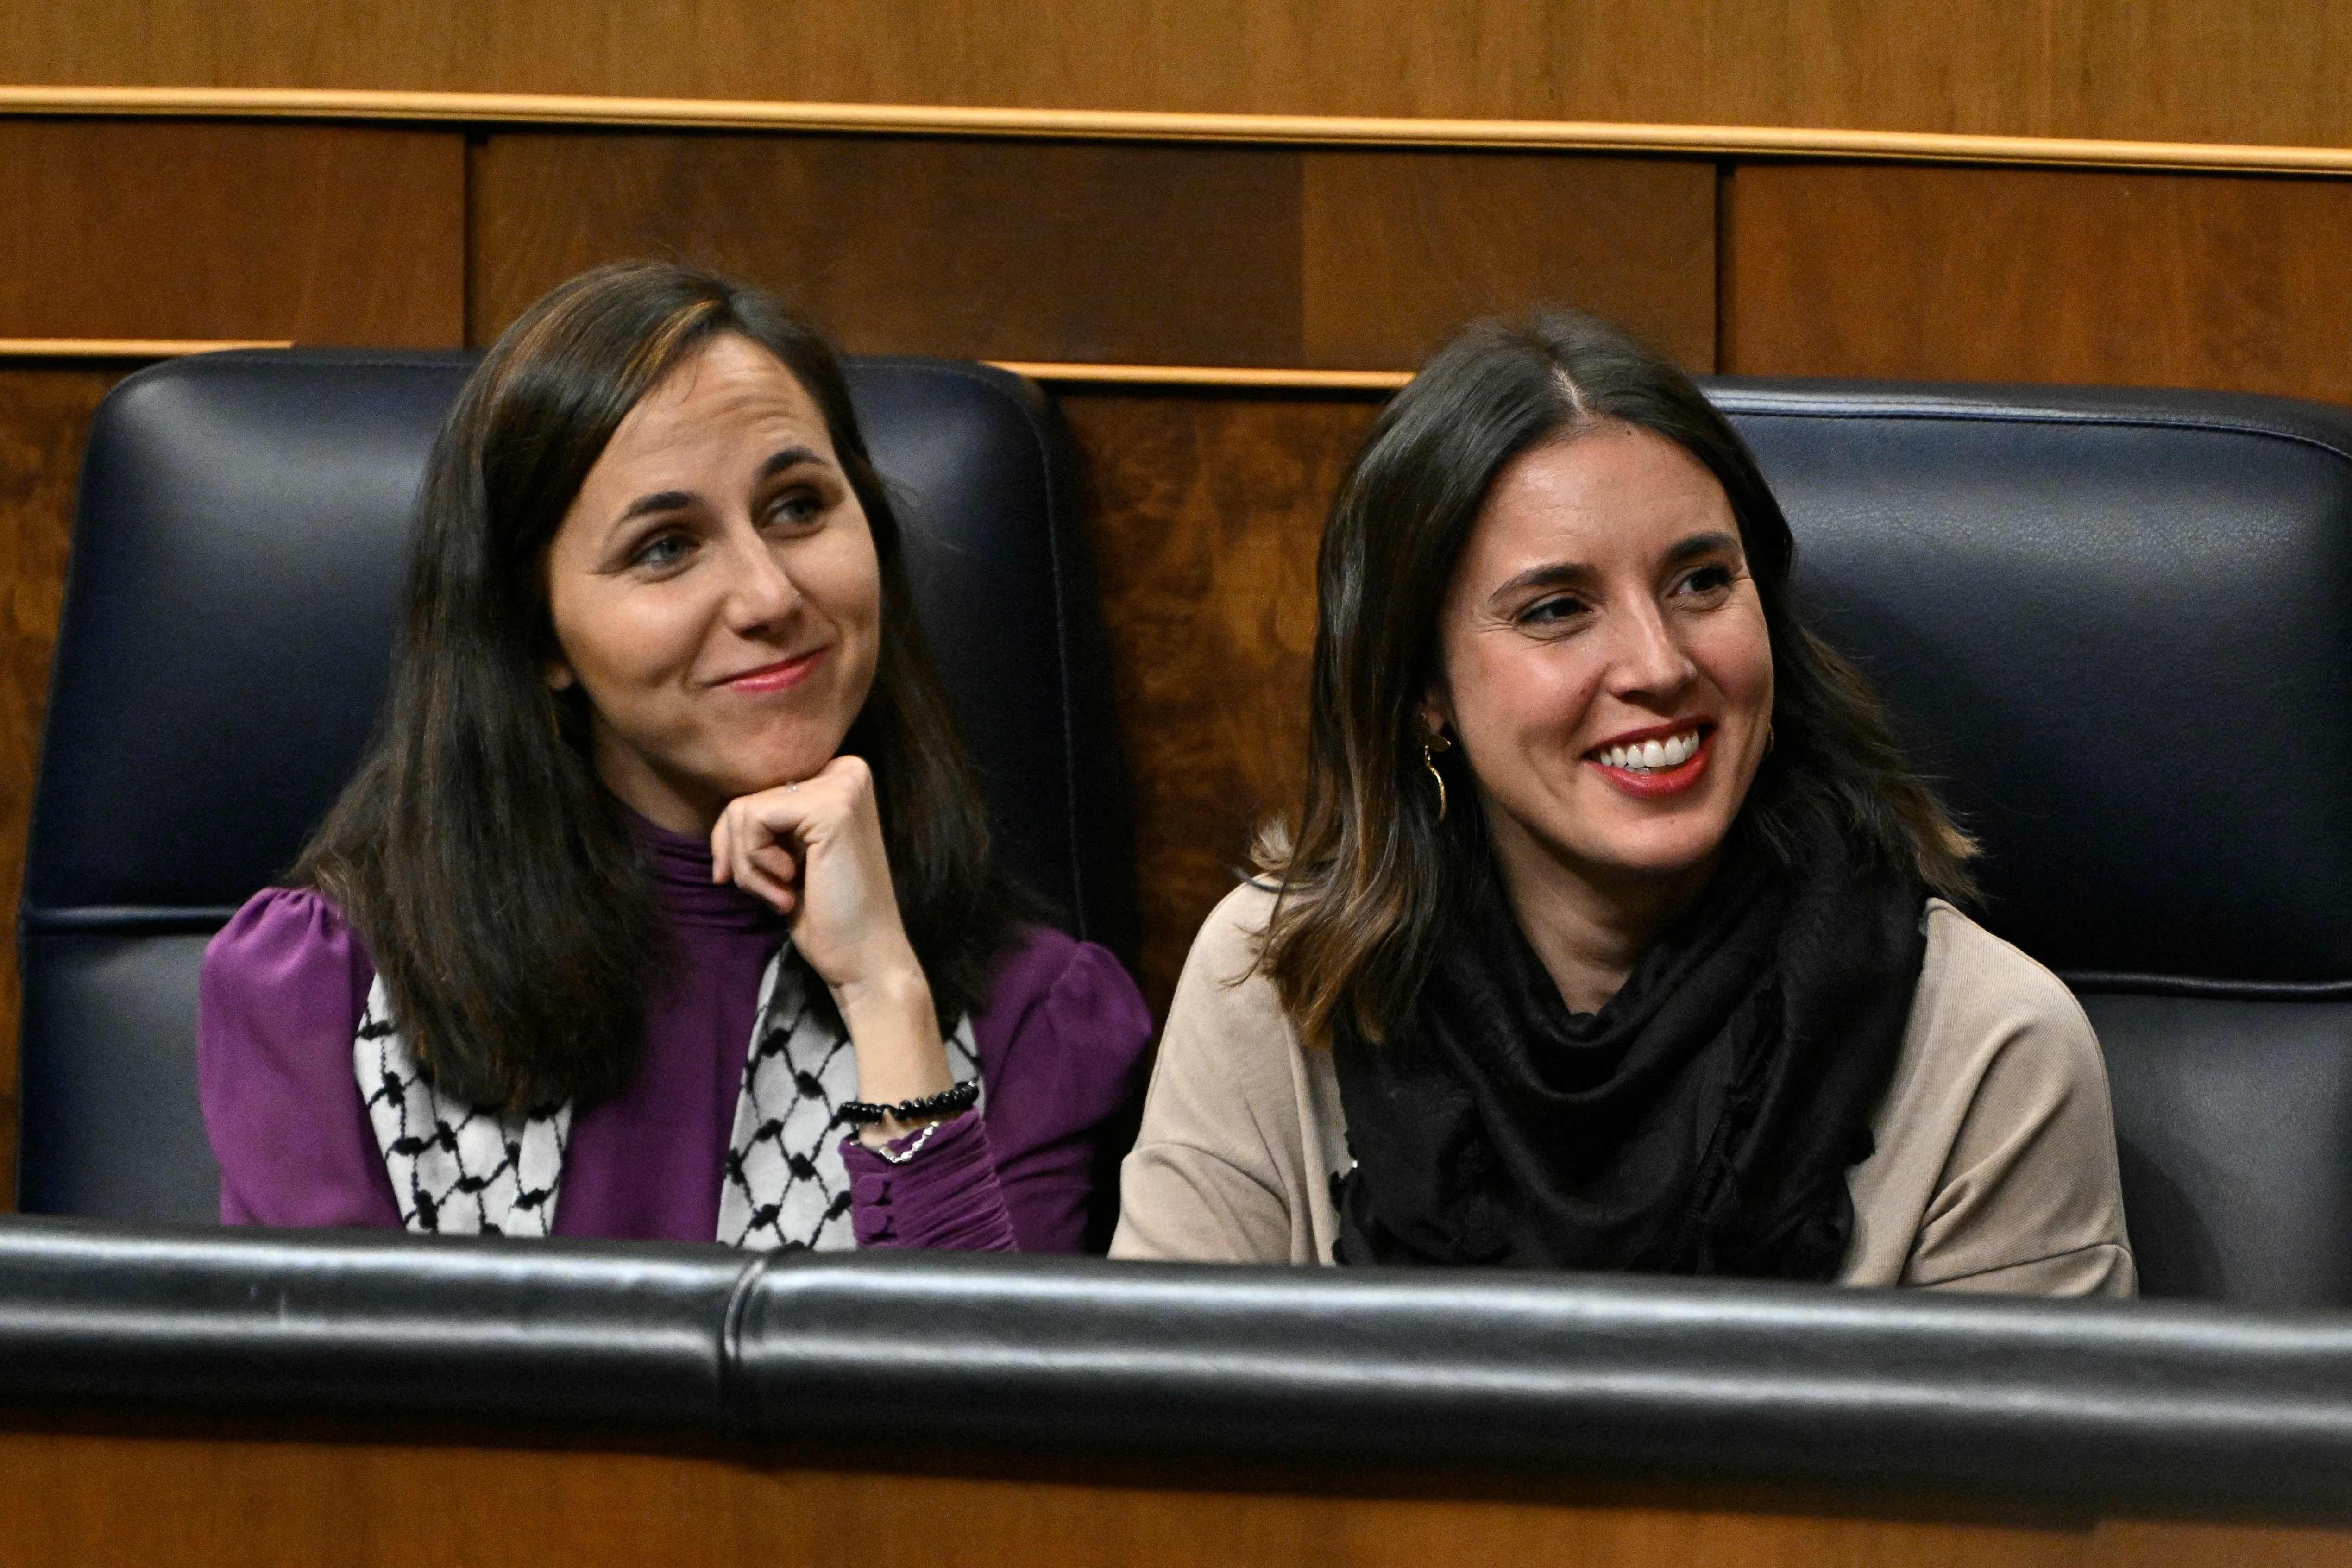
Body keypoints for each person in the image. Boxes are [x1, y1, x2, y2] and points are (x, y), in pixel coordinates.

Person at [1112, 312, 2134, 1293]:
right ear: (1424, 692)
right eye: (1557, 609)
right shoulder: (1277, 980)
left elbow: (2008, 1477)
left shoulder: (1989, 1048)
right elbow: (1151, 1442)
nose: (1658, 664)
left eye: (1699, 582)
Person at [200, 261, 1152, 1252]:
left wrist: (885, 994)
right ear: (539, 637)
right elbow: (339, 1405)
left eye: (797, 507)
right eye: (665, 547)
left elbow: (970, 1402)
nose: (768, 596)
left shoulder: (1034, 1016)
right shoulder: (326, 989)